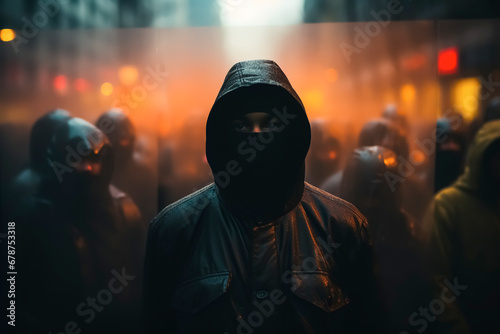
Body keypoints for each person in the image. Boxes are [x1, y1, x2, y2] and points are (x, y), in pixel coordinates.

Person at [142, 59, 378, 333]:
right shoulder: (175, 230)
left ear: (292, 132)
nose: (256, 135)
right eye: (242, 126)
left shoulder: (343, 226)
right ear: (221, 135)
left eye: (271, 124)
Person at [17, 118, 145, 333]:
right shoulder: (31, 215)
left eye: (95, 159)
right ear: (59, 159)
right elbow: (13, 293)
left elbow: (140, 280)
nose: (87, 168)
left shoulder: (126, 211)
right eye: (77, 159)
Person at [424, 120, 500, 333]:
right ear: (482, 157)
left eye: (456, 141)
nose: (451, 148)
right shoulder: (447, 205)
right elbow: (436, 278)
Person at [96, 109, 157, 223]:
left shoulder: (143, 170)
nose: (124, 144)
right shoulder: (94, 170)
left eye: (127, 139)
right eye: (121, 139)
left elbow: (151, 212)